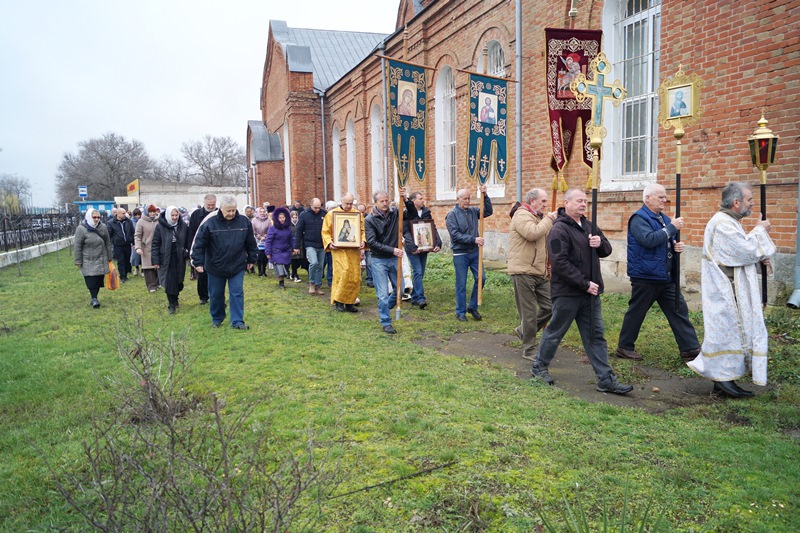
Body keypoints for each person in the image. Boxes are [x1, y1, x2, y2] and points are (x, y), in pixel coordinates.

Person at [530, 188, 633, 395]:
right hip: (568, 293)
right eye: (579, 201)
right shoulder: (559, 230)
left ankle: (605, 379)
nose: (583, 204)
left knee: (596, 336)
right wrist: (584, 283)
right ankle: (539, 367)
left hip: (590, 294)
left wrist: (599, 243)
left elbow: (607, 250)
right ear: (566, 203)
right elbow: (560, 263)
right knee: (555, 332)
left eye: (585, 201)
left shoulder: (589, 226)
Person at [687, 182, 776, 398]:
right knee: (726, 334)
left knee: (731, 334)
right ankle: (723, 379)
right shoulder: (723, 223)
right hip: (726, 292)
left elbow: (738, 253)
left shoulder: (729, 221)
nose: (753, 204)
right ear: (736, 202)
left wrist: (758, 257)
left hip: (732, 289)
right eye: (749, 200)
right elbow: (743, 250)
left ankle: (724, 378)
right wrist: (760, 231)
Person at [616, 183, 701, 362]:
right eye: (660, 196)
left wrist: (676, 245)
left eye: (665, 196)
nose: (665, 199)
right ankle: (625, 347)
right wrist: (672, 228)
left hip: (665, 275)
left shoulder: (663, 217)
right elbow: (648, 240)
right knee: (637, 311)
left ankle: (690, 348)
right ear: (648, 198)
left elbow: (664, 240)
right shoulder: (639, 219)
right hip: (646, 275)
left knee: (678, 309)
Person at [191, 197, 258, 329]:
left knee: (237, 293)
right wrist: (197, 262)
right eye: (228, 211)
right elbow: (199, 244)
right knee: (216, 295)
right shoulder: (210, 223)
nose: (231, 213)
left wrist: (252, 258)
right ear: (221, 209)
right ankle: (217, 318)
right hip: (215, 266)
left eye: (233, 210)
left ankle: (237, 321)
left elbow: (250, 242)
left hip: (237, 265)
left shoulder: (244, 222)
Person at [508, 188, 557, 361]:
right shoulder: (521, 214)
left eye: (546, 201)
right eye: (543, 201)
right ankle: (529, 349)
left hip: (539, 272)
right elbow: (532, 233)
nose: (545, 204)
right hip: (523, 271)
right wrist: (549, 220)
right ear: (532, 201)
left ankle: (523, 331)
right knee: (528, 313)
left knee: (552, 306)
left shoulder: (539, 218)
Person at [445, 185, 492, 321]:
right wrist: (473, 239)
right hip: (461, 253)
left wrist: (485, 195)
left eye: (469, 198)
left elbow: (487, 212)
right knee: (461, 283)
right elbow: (455, 235)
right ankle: (460, 312)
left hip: (475, 252)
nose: (467, 201)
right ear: (458, 199)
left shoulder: (472, 211)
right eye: (464, 199)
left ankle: (472, 306)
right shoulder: (451, 216)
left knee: (481, 278)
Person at [365, 189, 406, 334]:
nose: (385, 203)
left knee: (400, 290)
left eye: (386, 200)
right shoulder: (369, 220)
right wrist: (392, 250)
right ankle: (386, 322)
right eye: (381, 201)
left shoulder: (395, 213)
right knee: (382, 294)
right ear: (375, 203)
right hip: (379, 260)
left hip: (394, 259)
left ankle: (386, 306)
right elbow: (372, 242)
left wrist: (404, 199)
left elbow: (411, 215)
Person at [322, 193, 365, 312]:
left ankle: (350, 301)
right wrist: (330, 243)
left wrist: (363, 242)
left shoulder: (357, 214)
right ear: (341, 201)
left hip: (353, 251)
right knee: (343, 273)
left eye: (351, 204)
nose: (349, 206)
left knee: (354, 276)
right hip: (339, 250)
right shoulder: (332, 215)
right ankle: (339, 301)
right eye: (347, 203)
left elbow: (362, 231)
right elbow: (325, 231)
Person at [403, 191, 442, 310]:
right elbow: (406, 232)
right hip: (413, 249)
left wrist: (437, 243)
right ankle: (420, 298)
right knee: (418, 271)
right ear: (413, 201)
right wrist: (412, 247)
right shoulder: (407, 214)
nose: (422, 200)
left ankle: (414, 297)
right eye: (420, 198)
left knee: (420, 273)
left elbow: (432, 228)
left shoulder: (426, 212)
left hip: (424, 247)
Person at [151, 206, 189, 315]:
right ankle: (171, 304)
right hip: (166, 257)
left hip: (179, 256)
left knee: (178, 281)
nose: (174, 217)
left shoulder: (183, 226)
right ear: (168, 215)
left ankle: (175, 298)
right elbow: (155, 244)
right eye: (172, 215)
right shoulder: (160, 227)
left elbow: (187, 240)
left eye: (176, 215)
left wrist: (187, 252)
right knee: (169, 281)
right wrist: (155, 260)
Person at [74, 209, 113, 308]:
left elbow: (108, 242)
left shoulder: (103, 227)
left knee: (98, 279)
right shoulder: (81, 229)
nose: (96, 219)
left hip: (101, 257)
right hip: (88, 258)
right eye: (94, 217)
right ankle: (94, 298)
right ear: (88, 217)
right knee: (91, 279)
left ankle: (95, 296)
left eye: (98, 217)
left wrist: (109, 256)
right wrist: (78, 260)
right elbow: (77, 246)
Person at [295, 198, 327, 295]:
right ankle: (312, 283)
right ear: (310, 205)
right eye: (315, 207)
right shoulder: (304, 215)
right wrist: (296, 246)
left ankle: (318, 285)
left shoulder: (324, 214)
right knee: (313, 263)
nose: (317, 209)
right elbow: (298, 231)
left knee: (320, 266)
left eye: (319, 207)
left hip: (322, 244)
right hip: (310, 244)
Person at [188, 194, 216, 304]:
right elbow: (191, 232)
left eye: (213, 204)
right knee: (202, 273)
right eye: (209, 205)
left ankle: (215, 294)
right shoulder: (196, 215)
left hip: (215, 248)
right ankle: (203, 296)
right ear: (204, 203)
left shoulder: (218, 213)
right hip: (201, 247)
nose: (211, 206)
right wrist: (191, 248)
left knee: (215, 274)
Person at [265, 207, 294, 289]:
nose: (282, 219)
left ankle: (283, 279)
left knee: (285, 267)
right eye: (280, 218)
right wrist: (268, 252)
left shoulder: (287, 228)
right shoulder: (272, 228)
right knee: (279, 268)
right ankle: (281, 283)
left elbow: (291, 239)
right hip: (276, 252)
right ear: (277, 218)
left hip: (286, 251)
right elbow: (268, 241)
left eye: (283, 217)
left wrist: (294, 248)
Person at [134, 205, 160, 292]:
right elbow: (137, 236)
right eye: (150, 212)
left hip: (157, 247)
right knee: (148, 268)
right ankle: (151, 286)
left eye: (153, 211)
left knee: (158, 265)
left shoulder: (159, 221)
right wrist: (138, 247)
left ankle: (158, 283)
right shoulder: (141, 222)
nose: (152, 214)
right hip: (146, 248)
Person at [106, 207, 135, 282]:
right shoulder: (111, 223)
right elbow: (109, 235)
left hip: (128, 244)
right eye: (123, 213)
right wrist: (111, 243)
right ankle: (122, 276)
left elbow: (133, 232)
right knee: (121, 261)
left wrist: (134, 242)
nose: (125, 214)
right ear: (118, 214)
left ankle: (126, 272)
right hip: (118, 245)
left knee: (127, 260)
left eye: (125, 213)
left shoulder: (129, 222)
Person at [252, 207, 271, 276]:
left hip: (266, 240)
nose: (262, 213)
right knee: (260, 256)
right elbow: (253, 230)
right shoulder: (254, 220)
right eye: (261, 212)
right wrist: (260, 237)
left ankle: (264, 270)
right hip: (258, 240)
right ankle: (260, 270)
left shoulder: (268, 220)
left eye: (263, 212)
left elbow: (270, 229)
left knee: (265, 256)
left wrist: (265, 236)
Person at [289, 209, 305, 282]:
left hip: (300, 244)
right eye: (293, 217)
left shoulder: (300, 224)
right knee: (294, 260)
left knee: (299, 260)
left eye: (296, 217)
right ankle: (295, 275)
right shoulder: (289, 226)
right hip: (292, 245)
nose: (295, 219)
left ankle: (293, 273)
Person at [130, 208, 142, 276]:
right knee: (135, 256)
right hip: (134, 241)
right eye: (136, 215)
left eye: (138, 215)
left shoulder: (142, 221)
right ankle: (136, 268)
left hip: (142, 241)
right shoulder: (131, 221)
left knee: (143, 256)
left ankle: (143, 269)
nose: (137, 216)